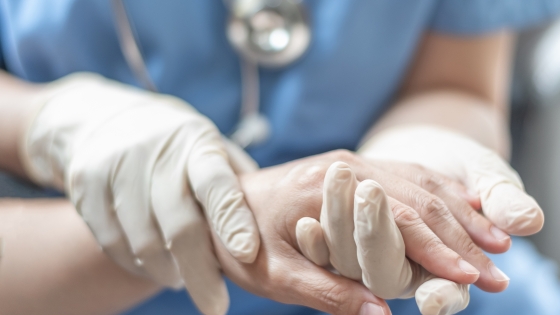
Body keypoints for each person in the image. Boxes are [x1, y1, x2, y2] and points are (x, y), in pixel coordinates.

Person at [0, 0, 559, 314]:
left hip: (411, 283)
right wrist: (37, 121)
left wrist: (422, 150)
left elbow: (456, 81)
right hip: (75, 263)